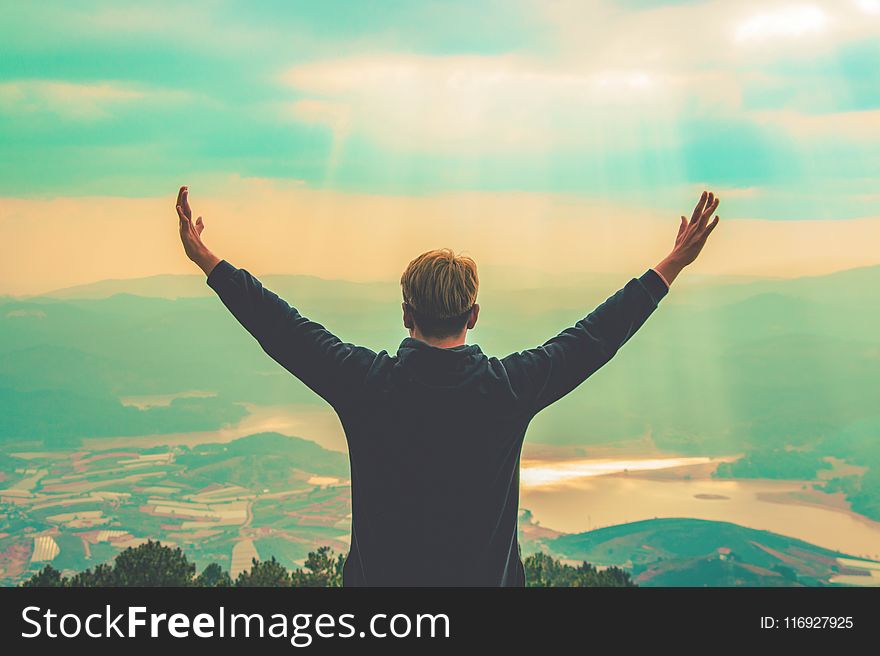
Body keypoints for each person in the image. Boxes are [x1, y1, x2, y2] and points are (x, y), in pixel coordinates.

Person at [175, 186, 720, 586]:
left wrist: (207, 260)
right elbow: (596, 336)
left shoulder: (364, 384)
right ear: (474, 314)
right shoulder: (509, 390)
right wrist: (671, 263)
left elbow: (282, 328)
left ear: (406, 311)